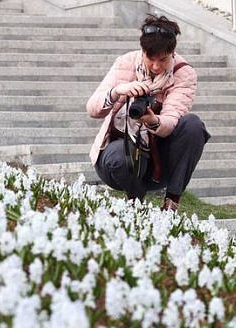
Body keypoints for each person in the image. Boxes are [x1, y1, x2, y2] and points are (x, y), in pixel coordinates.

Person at [86, 14, 211, 212]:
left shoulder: (183, 73)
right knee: (120, 157)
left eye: (163, 59)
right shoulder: (126, 63)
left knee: (193, 125)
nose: (156, 66)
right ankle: (136, 199)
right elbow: (92, 109)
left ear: (173, 51)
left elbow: (172, 118)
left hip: (158, 162)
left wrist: (153, 121)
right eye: (150, 58)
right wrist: (118, 92)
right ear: (142, 50)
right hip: (118, 158)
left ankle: (171, 203)